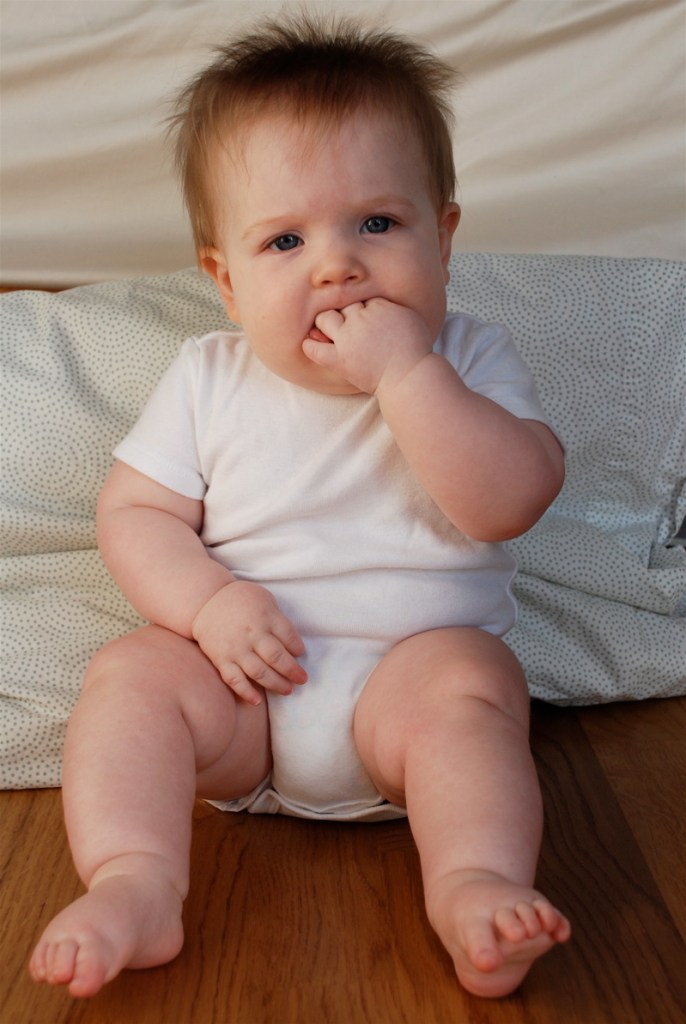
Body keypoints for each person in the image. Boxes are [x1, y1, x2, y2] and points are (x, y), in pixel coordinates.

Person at [29, 14, 570, 1000]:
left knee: (471, 684)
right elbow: (135, 516)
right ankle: (135, 879)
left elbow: (511, 501)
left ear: (443, 238)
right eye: (285, 240)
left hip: (406, 698)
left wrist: (406, 376)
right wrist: (206, 606)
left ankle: (473, 883)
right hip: (242, 701)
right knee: (130, 675)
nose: (335, 267)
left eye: (377, 224)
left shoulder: (466, 357)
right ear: (226, 282)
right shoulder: (208, 376)